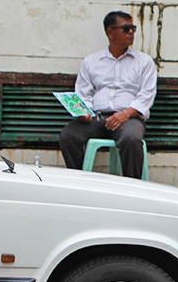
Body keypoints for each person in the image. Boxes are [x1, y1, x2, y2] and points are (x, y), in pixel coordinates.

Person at [59, 11, 156, 179]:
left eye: (132, 28)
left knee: (131, 139)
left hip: (129, 119)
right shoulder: (91, 61)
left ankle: (133, 187)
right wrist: (85, 112)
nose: (131, 32)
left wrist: (125, 114)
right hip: (97, 119)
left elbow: (146, 95)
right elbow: (84, 93)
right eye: (126, 28)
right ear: (110, 32)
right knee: (69, 135)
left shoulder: (144, 61)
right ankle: (78, 182)